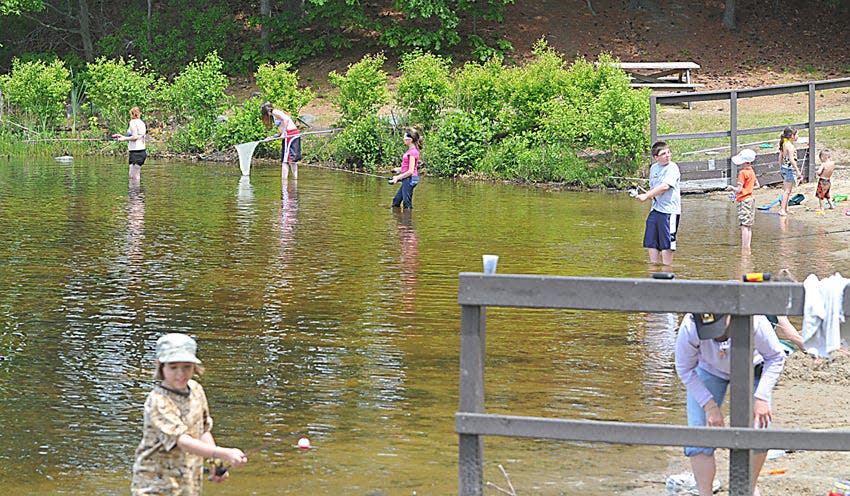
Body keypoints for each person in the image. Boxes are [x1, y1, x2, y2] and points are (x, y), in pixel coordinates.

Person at [675, 312, 785, 496]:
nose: (715, 336)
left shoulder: (755, 320)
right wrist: (709, 406)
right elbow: (684, 368)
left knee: (761, 427)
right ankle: (705, 492)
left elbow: (776, 357)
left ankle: (749, 486)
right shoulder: (690, 326)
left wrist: (761, 397)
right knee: (698, 432)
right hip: (709, 369)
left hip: (752, 366)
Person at [132, 333, 248, 495]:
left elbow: (204, 430)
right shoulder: (159, 400)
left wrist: (216, 462)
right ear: (160, 366)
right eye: (173, 367)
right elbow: (182, 441)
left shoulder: (196, 390)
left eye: (187, 366)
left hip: (188, 483)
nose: (181, 374)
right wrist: (225, 453)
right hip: (155, 486)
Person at [636, 141, 681, 266]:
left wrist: (646, 195)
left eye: (668, 152)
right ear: (656, 157)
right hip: (656, 209)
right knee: (651, 241)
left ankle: (667, 269)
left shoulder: (673, 167)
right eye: (663, 153)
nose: (667, 155)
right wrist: (651, 195)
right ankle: (653, 269)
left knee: (667, 243)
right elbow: (654, 186)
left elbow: (665, 186)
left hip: (669, 211)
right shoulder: (654, 168)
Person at [726, 148, 759, 250]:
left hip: (744, 200)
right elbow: (757, 185)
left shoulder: (742, 173)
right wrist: (748, 189)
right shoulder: (752, 172)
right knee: (748, 225)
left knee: (743, 225)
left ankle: (744, 247)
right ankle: (747, 246)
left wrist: (731, 188)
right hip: (751, 199)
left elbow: (739, 189)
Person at [260, 101, 301, 182]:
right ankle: (294, 181)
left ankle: (284, 182)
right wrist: (273, 136)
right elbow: (282, 127)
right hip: (292, 134)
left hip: (290, 135)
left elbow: (286, 119)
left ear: (267, 111)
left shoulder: (275, 112)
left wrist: (284, 133)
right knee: (292, 160)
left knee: (285, 161)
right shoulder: (275, 114)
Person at [389, 128, 422, 210]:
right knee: (396, 201)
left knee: (407, 204)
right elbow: (409, 167)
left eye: (405, 136)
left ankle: (407, 222)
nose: (403, 138)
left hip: (410, 179)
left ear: (410, 139)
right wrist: (398, 169)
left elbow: (411, 171)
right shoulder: (410, 151)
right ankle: (399, 220)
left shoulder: (413, 152)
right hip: (407, 178)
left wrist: (397, 177)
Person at [112, 106, 147, 182]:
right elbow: (137, 136)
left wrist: (124, 139)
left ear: (131, 114)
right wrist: (121, 136)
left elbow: (134, 137)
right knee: (133, 177)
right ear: (139, 113)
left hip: (136, 152)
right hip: (140, 152)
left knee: (134, 178)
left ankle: (135, 193)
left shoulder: (133, 122)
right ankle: (136, 193)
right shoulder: (141, 122)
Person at [777, 127, 802, 216]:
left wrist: (780, 167)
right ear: (792, 136)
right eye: (797, 134)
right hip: (790, 170)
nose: (798, 136)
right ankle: (782, 210)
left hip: (784, 168)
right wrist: (798, 171)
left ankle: (786, 208)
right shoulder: (790, 147)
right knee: (787, 191)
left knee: (786, 190)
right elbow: (792, 160)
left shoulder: (784, 143)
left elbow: (780, 156)